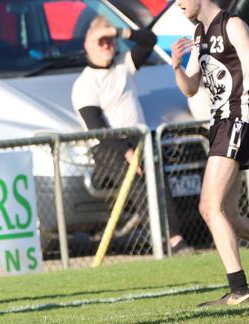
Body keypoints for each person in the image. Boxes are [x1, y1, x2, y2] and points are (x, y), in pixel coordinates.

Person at [71, 16, 189, 255]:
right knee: (137, 187)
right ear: (88, 45)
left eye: (109, 40)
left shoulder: (124, 64)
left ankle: (177, 241)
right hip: (108, 146)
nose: (107, 46)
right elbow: (96, 127)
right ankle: (162, 243)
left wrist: (117, 31)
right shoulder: (85, 83)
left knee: (159, 185)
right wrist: (125, 151)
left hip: (139, 138)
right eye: (100, 41)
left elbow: (149, 40)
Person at [171, 0, 249, 306]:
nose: (178, 3)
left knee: (209, 207)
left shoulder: (233, 25)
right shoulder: (199, 33)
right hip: (219, 124)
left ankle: (239, 290)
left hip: (238, 120)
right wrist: (176, 67)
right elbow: (190, 88)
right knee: (230, 217)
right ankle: (239, 290)